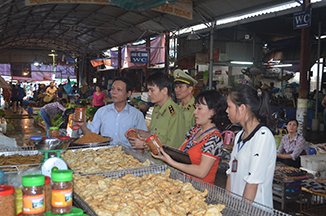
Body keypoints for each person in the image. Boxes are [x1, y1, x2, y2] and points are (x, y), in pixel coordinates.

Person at [152, 90, 227, 184]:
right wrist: (161, 149)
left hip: (201, 191)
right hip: (185, 185)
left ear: (212, 112)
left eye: (199, 109)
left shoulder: (214, 139)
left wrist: (172, 163)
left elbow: (201, 172)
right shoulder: (195, 130)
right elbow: (179, 153)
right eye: (195, 108)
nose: (195, 112)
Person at [225, 85, 276, 208]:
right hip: (236, 208)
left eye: (229, 106)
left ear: (242, 108)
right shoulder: (239, 136)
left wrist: (242, 211)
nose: (226, 110)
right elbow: (231, 174)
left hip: (254, 210)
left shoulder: (263, 136)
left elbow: (252, 184)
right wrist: (226, 206)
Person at [77, 77, 147, 145]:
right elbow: (90, 135)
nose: (114, 92)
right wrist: (83, 126)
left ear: (128, 94)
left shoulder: (137, 115)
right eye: (112, 89)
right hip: (106, 154)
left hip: (128, 155)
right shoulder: (102, 112)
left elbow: (143, 138)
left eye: (119, 90)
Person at [129, 72, 186, 149]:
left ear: (164, 91)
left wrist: (145, 144)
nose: (149, 94)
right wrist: (138, 132)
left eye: (152, 90)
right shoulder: (156, 109)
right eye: (148, 90)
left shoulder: (175, 114)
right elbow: (153, 135)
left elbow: (173, 147)